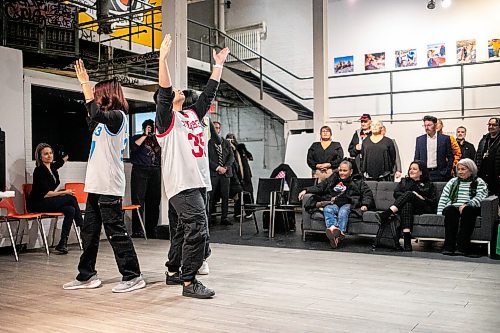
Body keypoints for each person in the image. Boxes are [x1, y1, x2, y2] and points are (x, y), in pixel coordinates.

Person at [156, 34, 229, 298]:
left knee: (183, 230)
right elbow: (164, 93)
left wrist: (218, 65)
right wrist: (162, 59)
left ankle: (173, 272)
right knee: (199, 228)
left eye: (180, 92)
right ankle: (189, 282)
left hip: (199, 182)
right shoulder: (166, 121)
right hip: (182, 184)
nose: (178, 91)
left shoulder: (192, 115)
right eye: (175, 90)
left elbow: (209, 94)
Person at [63, 60, 145, 293]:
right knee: (89, 232)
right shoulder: (102, 121)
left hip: (109, 184)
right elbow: (91, 116)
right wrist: (84, 88)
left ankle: (133, 275)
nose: (94, 96)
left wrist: (86, 84)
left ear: (106, 95)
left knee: (115, 231)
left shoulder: (118, 116)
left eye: (97, 93)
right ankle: (86, 275)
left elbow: (95, 112)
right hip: (96, 184)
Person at [298, 160, 374, 249]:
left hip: (348, 204)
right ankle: (333, 229)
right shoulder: (334, 179)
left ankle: (340, 233)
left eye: (345, 171)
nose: (342, 173)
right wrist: (306, 190)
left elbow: (367, 194)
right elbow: (321, 186)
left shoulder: (358, 182)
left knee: (343, 211)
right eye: (340, 170)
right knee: (327, 209)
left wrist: (365, 204)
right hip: (334, 203)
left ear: (351, 171)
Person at [28, 143, 83, 254]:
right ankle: (83, 228)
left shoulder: (52, 168)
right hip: (38, 203)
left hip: (47, 202)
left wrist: (70, 153)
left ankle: (63, 243)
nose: (49, 156)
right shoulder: (39, 171)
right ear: (40, 156)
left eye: (51, 153)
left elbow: (61, 162)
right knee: (70, 198)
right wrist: (63, 193)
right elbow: (45, 194)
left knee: (70, 210)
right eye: (46, 154)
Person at [375, 161, 437, 251]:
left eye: (414, 169)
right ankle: (407, 242)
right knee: (407, 204)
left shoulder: (429, 184)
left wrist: (420, 197)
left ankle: (387, 213)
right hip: (408, 207)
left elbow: (433, 202)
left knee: (410, 194)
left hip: (423, 207)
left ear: (421, 172)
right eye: (410, 169)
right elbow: (396, 194)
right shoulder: (404, 181)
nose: (411, 171)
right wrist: (409, 196)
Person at [438, 159, 488, 256]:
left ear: (471, 170)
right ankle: (449, 246)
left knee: (468, 210)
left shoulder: (479, 182)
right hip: (454, 208)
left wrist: (468, 204)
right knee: (450, 210)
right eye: (458, 169)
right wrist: (439, 213)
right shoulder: (453, 182)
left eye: (463, 169)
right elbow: (444, 197)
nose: (460, 172)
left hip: (470, 207)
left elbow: (481, 196)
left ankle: (462, 247)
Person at [129, 119, 161, 238]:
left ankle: (152, 230)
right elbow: (134, 147)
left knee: (154, 201)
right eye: (149, 127)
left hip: (155, 170)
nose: (151, 129)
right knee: (138, 201)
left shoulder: (157, 140)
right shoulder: (137, 137)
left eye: (152, 127)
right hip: (140, 169)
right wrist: (144, 135)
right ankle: (137, 230)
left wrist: (157, 134)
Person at [208, 121, 234, 225]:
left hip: (225, 173)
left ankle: (224, 217)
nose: (216, 129)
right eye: (214, 128)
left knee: (225, 196)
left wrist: (225, 167)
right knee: (211, 197)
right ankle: (208, 218)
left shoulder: (226, 142)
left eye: (218, 128)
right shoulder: (208, 142)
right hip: (214, 173)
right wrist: (217, 167)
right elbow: (207, 159)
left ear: (220, 129)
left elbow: (231, 157)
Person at [414, 115, 454, 182]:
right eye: (425, 125)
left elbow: (450, 157)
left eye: (429, 125)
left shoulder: (445, 139)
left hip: (441, 173)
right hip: (425, 173)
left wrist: (447, 170)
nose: (427, 128)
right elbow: (417, 158)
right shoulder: (420, 139)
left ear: (435, 125)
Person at [226, 133, 254, 219]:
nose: (231, 141)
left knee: (247, 192)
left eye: (232, 139)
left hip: (245, 174)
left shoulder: (241, 148)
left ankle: (249, 211)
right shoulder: (228, 150)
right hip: (236, 175)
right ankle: (238, 212)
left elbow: (249, 157)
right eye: (229, 139)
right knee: (239, 193)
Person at [475, 117, 500, 198]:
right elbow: (477, 156)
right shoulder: (484, 139)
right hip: (483, 175)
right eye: (489, 124)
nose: (491, 127)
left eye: (494, 125)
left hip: (496, 176)